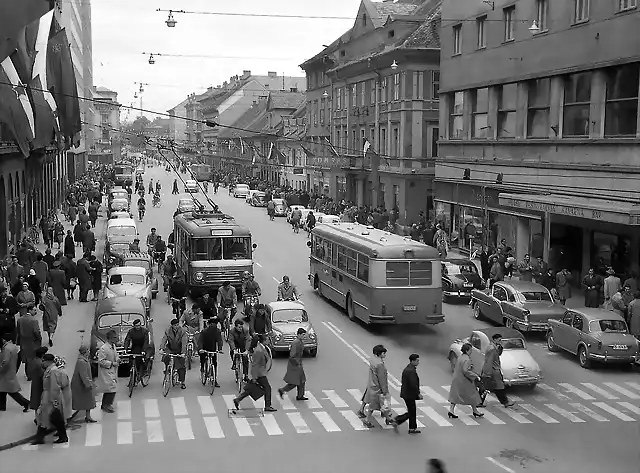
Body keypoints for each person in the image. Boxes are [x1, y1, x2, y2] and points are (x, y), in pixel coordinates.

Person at [31, 353, 71, 444]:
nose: (43, 363)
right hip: (48, 396)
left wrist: (54, 401)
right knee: (48, 418)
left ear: (48, 361)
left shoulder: (53, 371)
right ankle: (42, 438)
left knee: (49, 418)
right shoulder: (50, 370)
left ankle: (42, 438)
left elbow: (54, 387)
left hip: (50, 397)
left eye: (44, 361)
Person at [233, 333, 276, 412]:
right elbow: (255, 365)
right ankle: (267, 406)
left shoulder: (262, 348)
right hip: (259, 373)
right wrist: (254, 377)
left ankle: (238, 399)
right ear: (264, 341)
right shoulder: (259, 351)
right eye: (267, 340)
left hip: (260, 372)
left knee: (251, 389)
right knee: (267, 388)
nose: (269, 341)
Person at [362, 344, 396, 429]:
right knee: (380, 404)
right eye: (384, 353)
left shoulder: (373, 360)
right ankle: (367, 419)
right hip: (378, 387)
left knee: (381, 404)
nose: (385, 355)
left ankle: (388, 418)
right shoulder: (380, 364)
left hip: (372, 384)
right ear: (380, 354)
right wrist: (385, 390)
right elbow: (382, 379)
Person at [448, 343, 484, 418]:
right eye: (470, 350)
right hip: (464, 381)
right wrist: (475, 376)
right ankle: (475, 411)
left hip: (458, 379)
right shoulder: (467, 359)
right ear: (467, 350)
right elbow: (466, 371)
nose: (471, 351)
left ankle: (451, 410)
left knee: (456, 396)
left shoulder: (461, 356)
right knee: (473, 395)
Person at [0, 332, 30, 412]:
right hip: (11, 370)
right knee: (2, 390)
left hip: (6, 372)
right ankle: (2, 406)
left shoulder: (6, 349)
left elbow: (5, 362)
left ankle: (25, 403)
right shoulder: (12, 347)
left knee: (11, 391)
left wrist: (0, 368)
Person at [481, 333, 514, 407]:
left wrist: (500, 347)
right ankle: (505, 402)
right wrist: (488, 373)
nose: (500, 341)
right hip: (493, 371)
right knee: (499, 387)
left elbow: (498, 354)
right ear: (495, 339)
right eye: (499, 340)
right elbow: (489, 361)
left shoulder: (494, 347)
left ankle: (479, 402)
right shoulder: (492, 349)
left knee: (489, 387)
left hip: (493, 370)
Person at [394, 353, 422, 434]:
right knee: (412, 411)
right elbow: (413, 384)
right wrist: (418, 394)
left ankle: (411, 427)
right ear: (412, 361)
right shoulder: (411, 371)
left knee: (412, 411)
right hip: (409, 394)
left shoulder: (409, 368)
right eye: (417, 360)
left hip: (407, 393)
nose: (418, 362)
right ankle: (398, 420)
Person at [277, 328, 307, 401]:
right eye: (303, 335)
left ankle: (300, 395)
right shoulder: (296, 343)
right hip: (295, 365)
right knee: (295, 382)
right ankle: (283, 390)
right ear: (299, 335)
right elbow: (292, 356)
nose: (304, 336)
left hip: (298, 364)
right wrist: (297, 363)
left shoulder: (299, 342)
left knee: (301, 380)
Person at [70, 345, 96, 423]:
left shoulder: (83, 360)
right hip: (81, 385)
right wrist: (88, 384)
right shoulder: (82, 361)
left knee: (89, 401)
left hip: (83, 384)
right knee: (87, 400)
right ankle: (87, 416)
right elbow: (83, 374)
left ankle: (88, 416)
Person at [96, 330, 120, 413]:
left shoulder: (113, 346)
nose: (117, 339)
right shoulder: (103, 348)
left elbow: (115, 355)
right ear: (110, 338)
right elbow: (101, 361)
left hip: (112, 370)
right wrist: (112, 363)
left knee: (110, 389)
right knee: (111, 389)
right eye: (115, 337)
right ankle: (107, 405)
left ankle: (106, 404)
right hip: (107, 371)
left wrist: (117, 359)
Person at [161, 319, 187, 389]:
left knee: (181, 365)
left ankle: (182, 382)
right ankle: (167, 372)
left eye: (177, 325)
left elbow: (184, 343)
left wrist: (183, 353)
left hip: (179, 349)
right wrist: (161, 348)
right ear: (172, 326)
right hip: (170, 348)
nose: (177, 326)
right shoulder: (168, 330)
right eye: (175, 325)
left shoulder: (183, 331)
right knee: (166, 357)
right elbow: (164, 339)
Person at [16, 307, 42, 378]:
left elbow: (18, 331)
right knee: (32, 358)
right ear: (30, 310)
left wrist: (18, 341)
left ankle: (27, 373)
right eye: (34, 310)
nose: (35, 312)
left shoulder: (19, 320)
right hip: (32, 342)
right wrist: (39, 339)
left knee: (26, 358)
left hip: (23, 341)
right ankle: (30, 374)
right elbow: (36, 332)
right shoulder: (34, 320)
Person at [199, 319, 223, 388]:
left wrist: (220, 349)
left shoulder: (217, 331)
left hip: (213, 349)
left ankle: (214, 379)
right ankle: (203, 368)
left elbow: (219, 341)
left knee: (214, 363)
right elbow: (200, 341)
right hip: (204, 348)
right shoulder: (204, 331)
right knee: (203, 360)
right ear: (209, 324)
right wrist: (200, 349)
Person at [28, 347, 49, 413]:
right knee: (39, 400)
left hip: (35, 381)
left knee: (36, 399)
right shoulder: (39, 363)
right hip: (39, 383)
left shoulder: (34, 360)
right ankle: (38, 418)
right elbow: (43, 373)